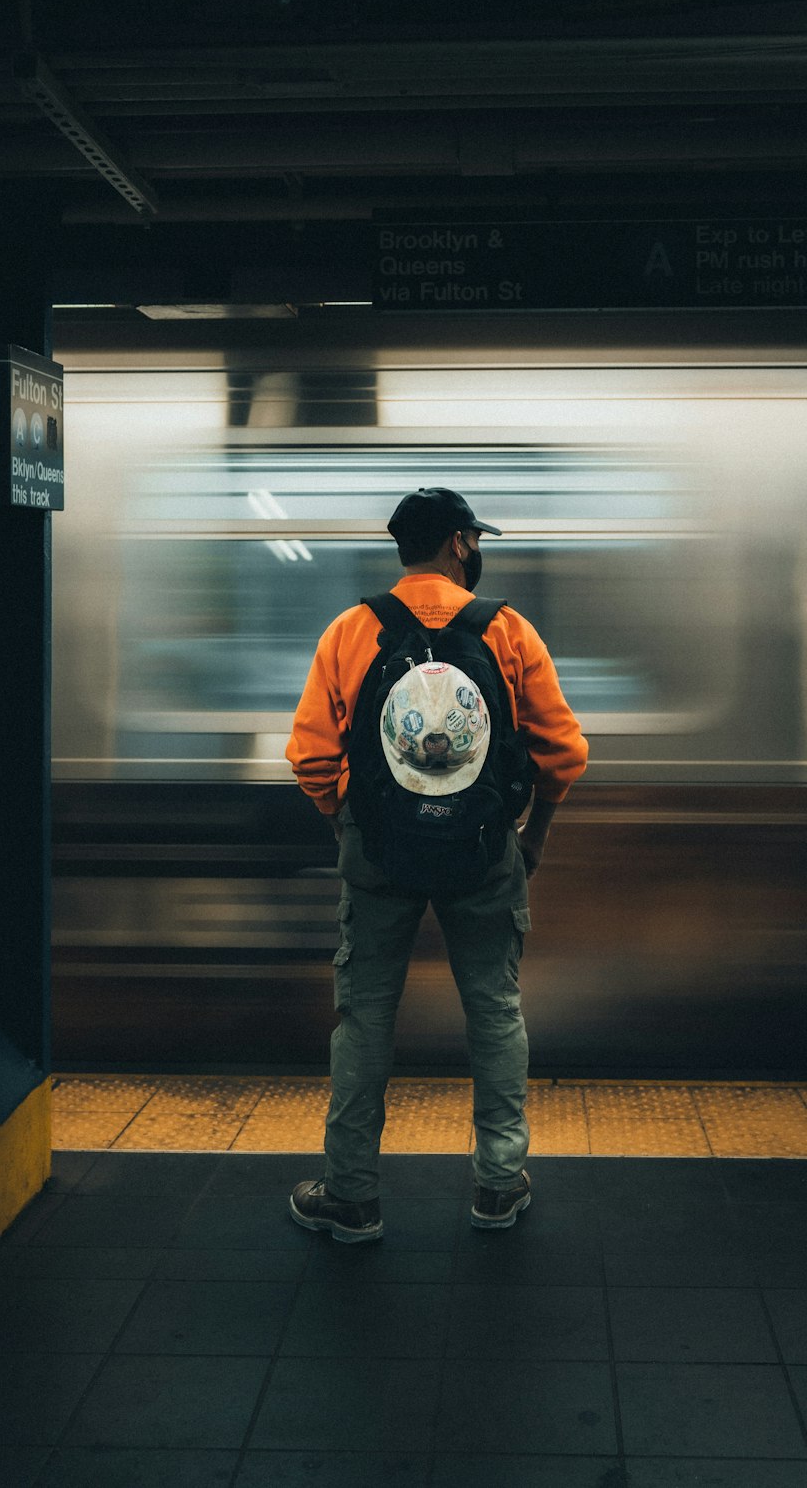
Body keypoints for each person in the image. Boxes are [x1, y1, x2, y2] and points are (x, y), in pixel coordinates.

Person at [285, 487, 588, 1242]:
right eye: (473, 540)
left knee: (364, 1020)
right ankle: (496, 1184)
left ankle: (351, 1195)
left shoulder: (351, 631)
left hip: (378, 853)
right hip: (485, 852)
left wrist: (347, 824)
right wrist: (536, 832)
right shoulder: (509, 630)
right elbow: (566, 753)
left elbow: (311, 757)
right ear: (459, 543)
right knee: (493, 1009)